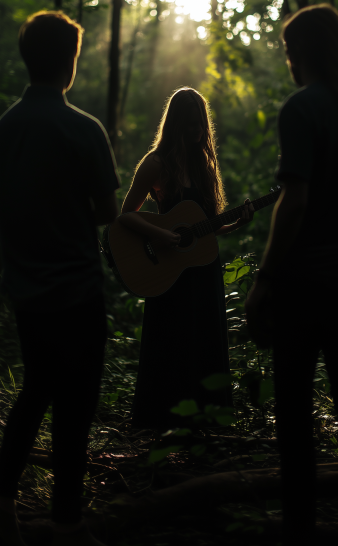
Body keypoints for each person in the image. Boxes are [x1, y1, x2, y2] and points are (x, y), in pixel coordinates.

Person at [245, 4, 338, 546]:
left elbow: (294, 200)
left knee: (295, 413)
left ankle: (299, 528)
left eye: (288, 51)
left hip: (304, 285)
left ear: (305, 53)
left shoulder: (302, 109)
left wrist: (265, 277)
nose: (287, 62)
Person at [0, 11, 120, 546]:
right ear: (70, 62)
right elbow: (109, 213)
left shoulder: (2, 131)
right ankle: (67, 520)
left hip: (28, 292)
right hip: (80, 293)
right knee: (76, 405)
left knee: (36, 390)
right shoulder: (84, 129)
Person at [120, 87, 254, 428]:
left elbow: (203, 228)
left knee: (204, 344)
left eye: (201, 125)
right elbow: (126, 215)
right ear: (176, 123)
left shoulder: (203, 164)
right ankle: (161, 422)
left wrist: (235, 223)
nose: (197, 132)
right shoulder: (156, 164)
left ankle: (206, 427)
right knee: (170, 344)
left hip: (203, 271)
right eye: (190, 125)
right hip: (169, 271)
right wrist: (161, 234)